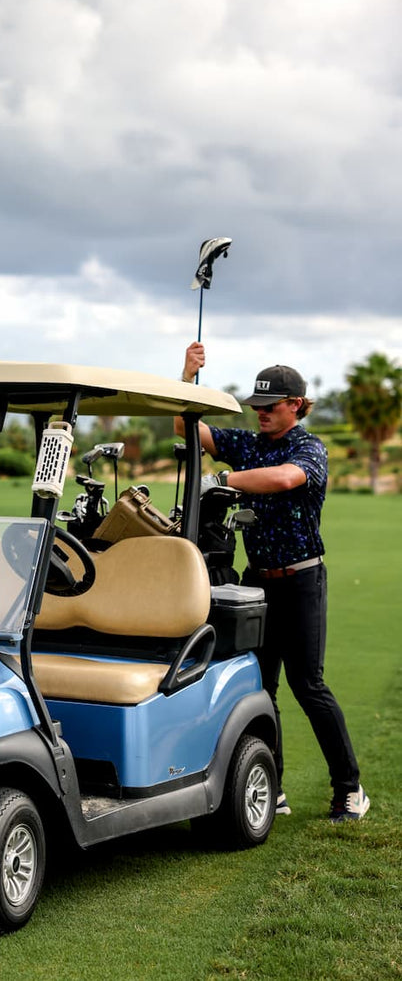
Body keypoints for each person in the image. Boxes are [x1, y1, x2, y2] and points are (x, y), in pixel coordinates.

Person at [176, 341, 369, 822]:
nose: (260, 413)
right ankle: (272, 787)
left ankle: (350, 789)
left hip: (302, 581)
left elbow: (285, 479)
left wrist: (226, 479)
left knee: (309, 686)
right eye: (256, 406)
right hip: (256, 584)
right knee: (259, 688)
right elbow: (187, 427)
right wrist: (187, 376)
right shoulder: (250, 442)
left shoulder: (309, 448)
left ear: (296, 406)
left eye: (269, 406)